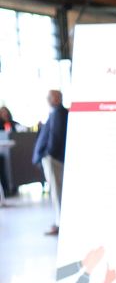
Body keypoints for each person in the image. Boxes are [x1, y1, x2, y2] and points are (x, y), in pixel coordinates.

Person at [32, 90, 68, 234]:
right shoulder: (56, 112)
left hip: (54, 160)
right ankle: (59, 221)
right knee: (55, 191)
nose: (47, 100)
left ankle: (60, 224)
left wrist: (49, 154)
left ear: (56, 98)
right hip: (53, 158)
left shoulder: (59, 113)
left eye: (49, 97)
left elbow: (56, 136)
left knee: (57, 191)